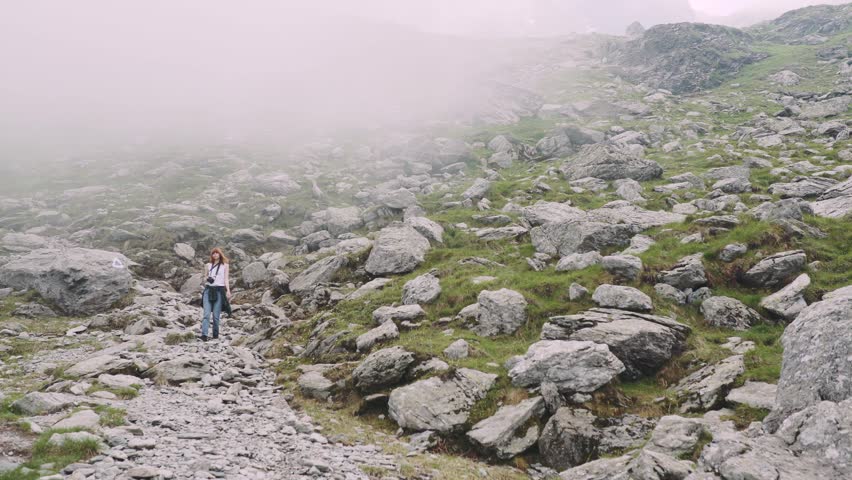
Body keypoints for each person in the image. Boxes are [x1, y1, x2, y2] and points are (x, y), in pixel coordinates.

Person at [200, 247, 232, 341]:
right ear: (212, 255)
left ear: (220, 254)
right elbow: (204, 277)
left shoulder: (225, 265)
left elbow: (226, 279)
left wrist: (228, 291)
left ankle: (215, 335)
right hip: (208, 290)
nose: (215, 255)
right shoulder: (208, 265)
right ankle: (204, 335)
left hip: (219, 290)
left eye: (216, 253)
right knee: (206, 314)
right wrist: (207, 278)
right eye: (213, 253)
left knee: (216, 316)